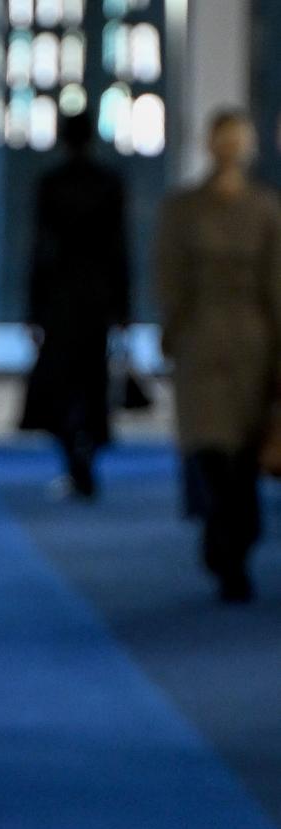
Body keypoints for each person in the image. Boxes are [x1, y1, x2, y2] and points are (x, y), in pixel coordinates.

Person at [155, 108, 281, 602]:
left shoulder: (263, 209)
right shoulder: (186, 209)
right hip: (209, 342)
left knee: (238, 452)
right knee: (214, 450)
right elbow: (170, 277)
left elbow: (275, 284)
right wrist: (172, 333)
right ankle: (223, 541)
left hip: (244, 344)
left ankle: (233, 546)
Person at [20, 108, 132, 499]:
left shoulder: (52, 184)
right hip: (97, 297)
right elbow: (119, 250)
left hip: (61, 296)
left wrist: (33, 309)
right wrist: (123, 308)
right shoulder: (109, 183)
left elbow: (41, 249)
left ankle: (74, 456)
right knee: (92, 381)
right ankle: (86, 455)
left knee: (61, 383)